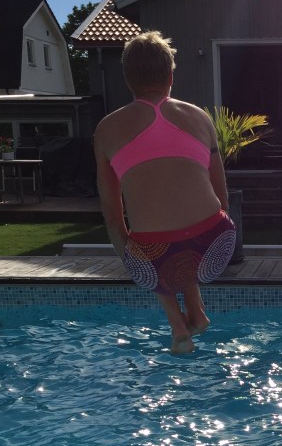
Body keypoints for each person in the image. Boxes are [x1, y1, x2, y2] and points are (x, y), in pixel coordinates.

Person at [94, 31, 235, 354]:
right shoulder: (199, 117)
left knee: (150, 246)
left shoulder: (107, 129)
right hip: (216, 242)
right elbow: (222, 195)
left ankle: (178, 328)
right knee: (181, 236)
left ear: (128, 80)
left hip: (157, 257)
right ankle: (196, 310)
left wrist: (130, 258)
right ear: (171, 75)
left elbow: (112, 212)